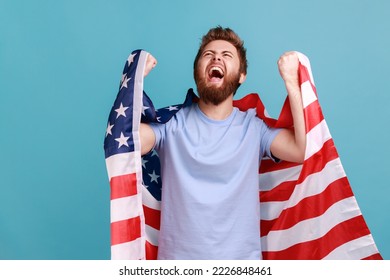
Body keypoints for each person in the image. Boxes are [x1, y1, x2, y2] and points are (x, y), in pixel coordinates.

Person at [139, 26, 306, 260]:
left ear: (241, 76)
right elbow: (128, 143)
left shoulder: (254, 129)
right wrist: (134, 82)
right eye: (208, 54)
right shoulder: (171, 124)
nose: (216, 57)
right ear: (197, 70)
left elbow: (302, 150)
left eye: (227, 55)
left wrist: (291, 82)